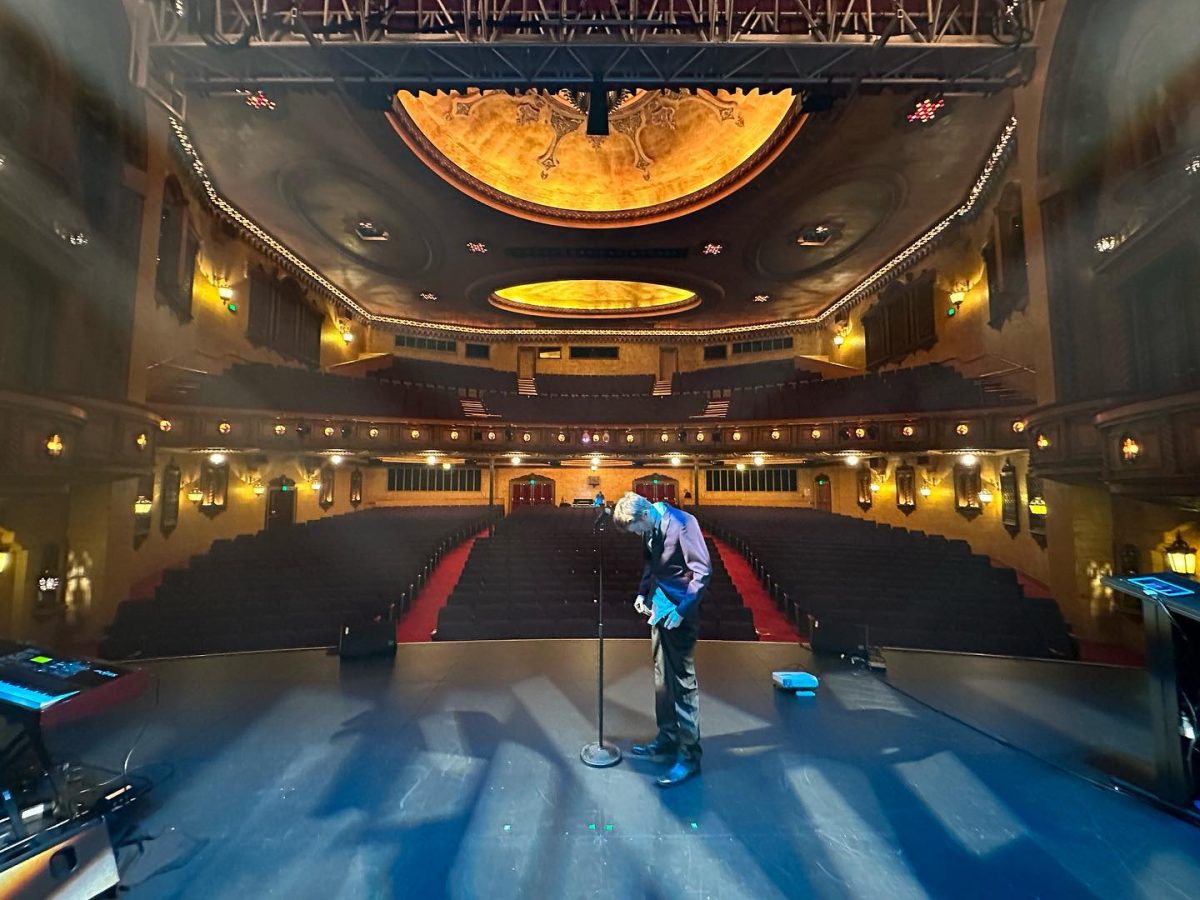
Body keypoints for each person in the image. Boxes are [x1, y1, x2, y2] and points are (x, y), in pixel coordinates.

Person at [611, 491, 710, 787]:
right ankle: (667, 736)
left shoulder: (683, 523)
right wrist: (642, 594)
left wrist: (682, 610)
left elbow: (702, 572)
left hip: (680, 612)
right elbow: (651, 566)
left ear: (644, 516)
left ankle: (690, 756)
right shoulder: (649, 524)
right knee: (661, 677)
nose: (637, 535)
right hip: (660, 608)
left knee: (682, 683)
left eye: (636, 530)